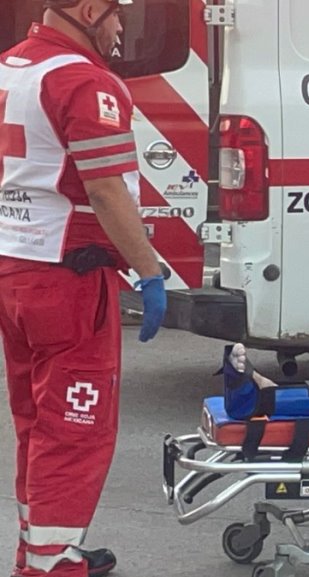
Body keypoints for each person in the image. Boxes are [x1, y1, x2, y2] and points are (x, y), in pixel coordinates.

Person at [0, 1, 167, 575]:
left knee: (37, 422)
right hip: (69, 276)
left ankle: (43, 549)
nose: (121, 29)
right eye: (118, 15)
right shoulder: (83, 80)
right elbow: (106, 191)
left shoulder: (10, 67)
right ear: (90, 9)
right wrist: (148, 271)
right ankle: (50, 566)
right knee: (75, 429)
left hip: (16, 268)